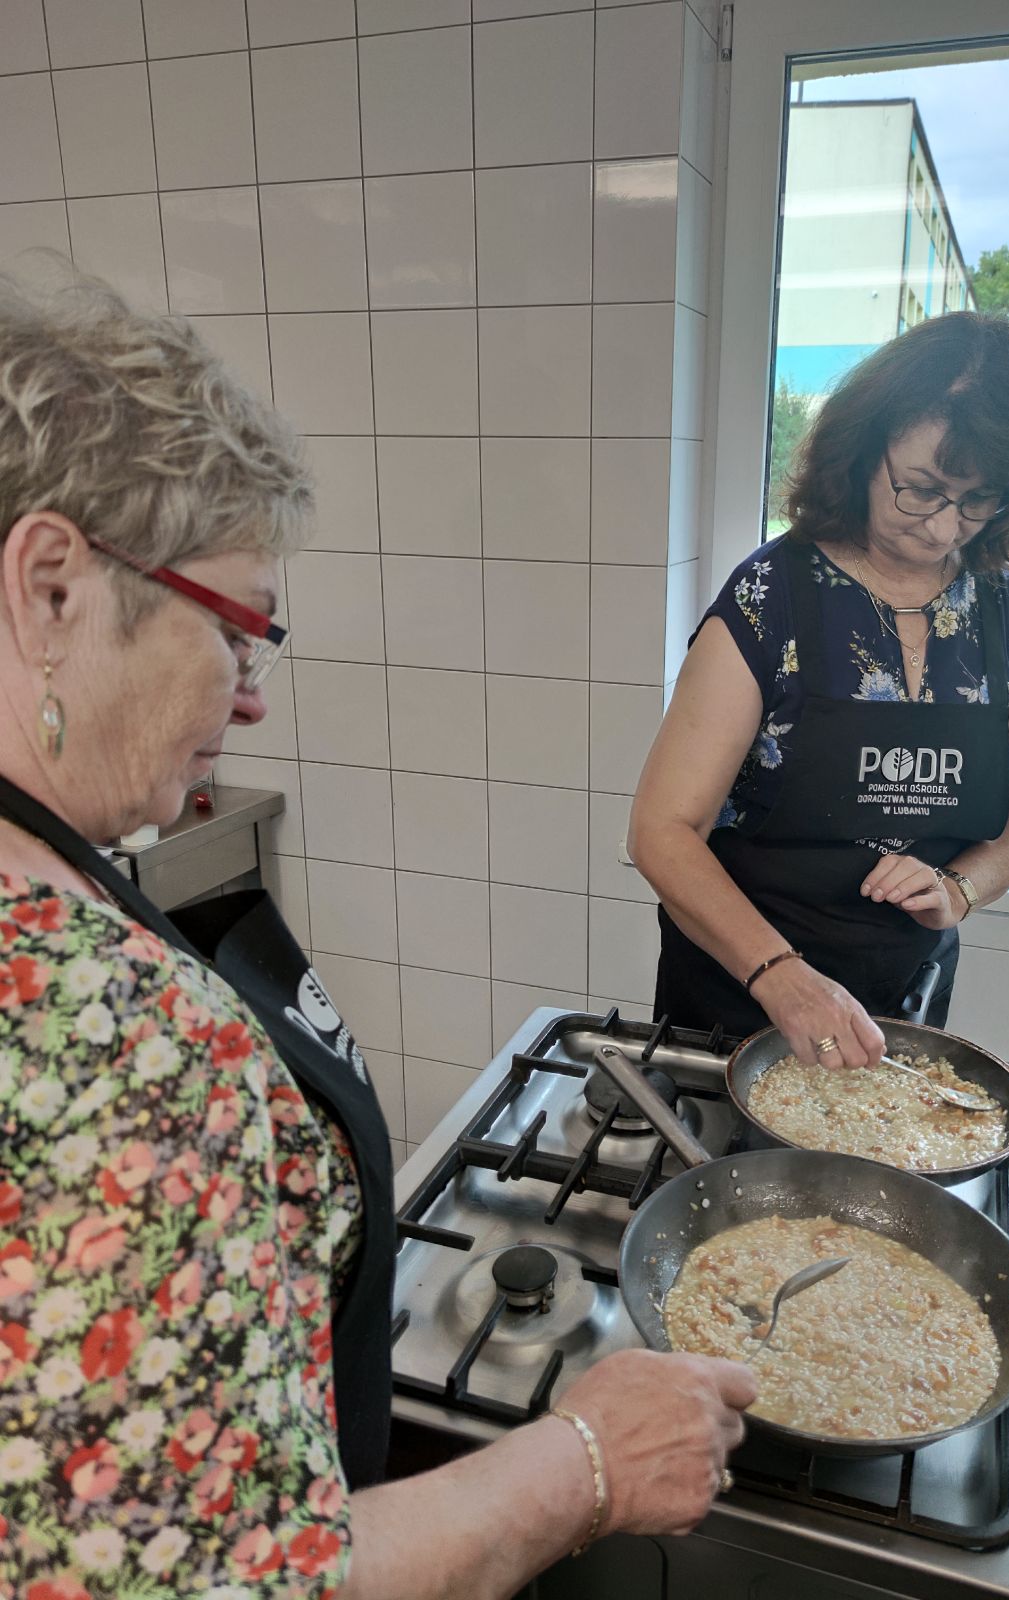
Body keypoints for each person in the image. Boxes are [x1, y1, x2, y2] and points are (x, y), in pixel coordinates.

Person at [0, 270, 755, 1599]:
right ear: (53, 587)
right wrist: (585, 1460)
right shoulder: (106, 1032)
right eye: (238, 630)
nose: (250, 704)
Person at [629, 313, 1009, 1069]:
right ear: (865, 451)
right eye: (920, 490)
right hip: (738, 1000)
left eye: (976, 500)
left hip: (903, 1007)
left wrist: (960, 887)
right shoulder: (774, 598)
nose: (941, 529)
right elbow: (661, 832)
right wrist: (782, 977)